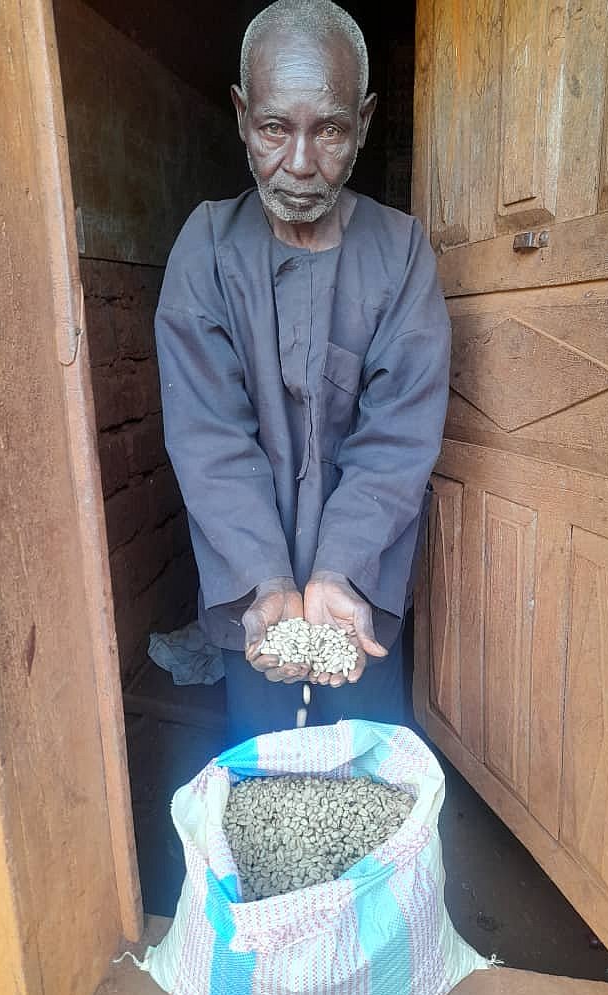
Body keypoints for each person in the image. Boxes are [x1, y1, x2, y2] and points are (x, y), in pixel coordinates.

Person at [155, 0, 450, 746]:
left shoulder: (401, 252)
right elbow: (209, 436)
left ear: (365, 122)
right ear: (241, 116)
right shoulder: (206, 249)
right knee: (267, 762)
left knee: (366, 763)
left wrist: (341, 570)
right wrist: (266, 580)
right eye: (273, 129)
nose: (298, 163)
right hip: (251, 593)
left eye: (330, 131)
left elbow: (398, 436)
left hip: (361, 587)